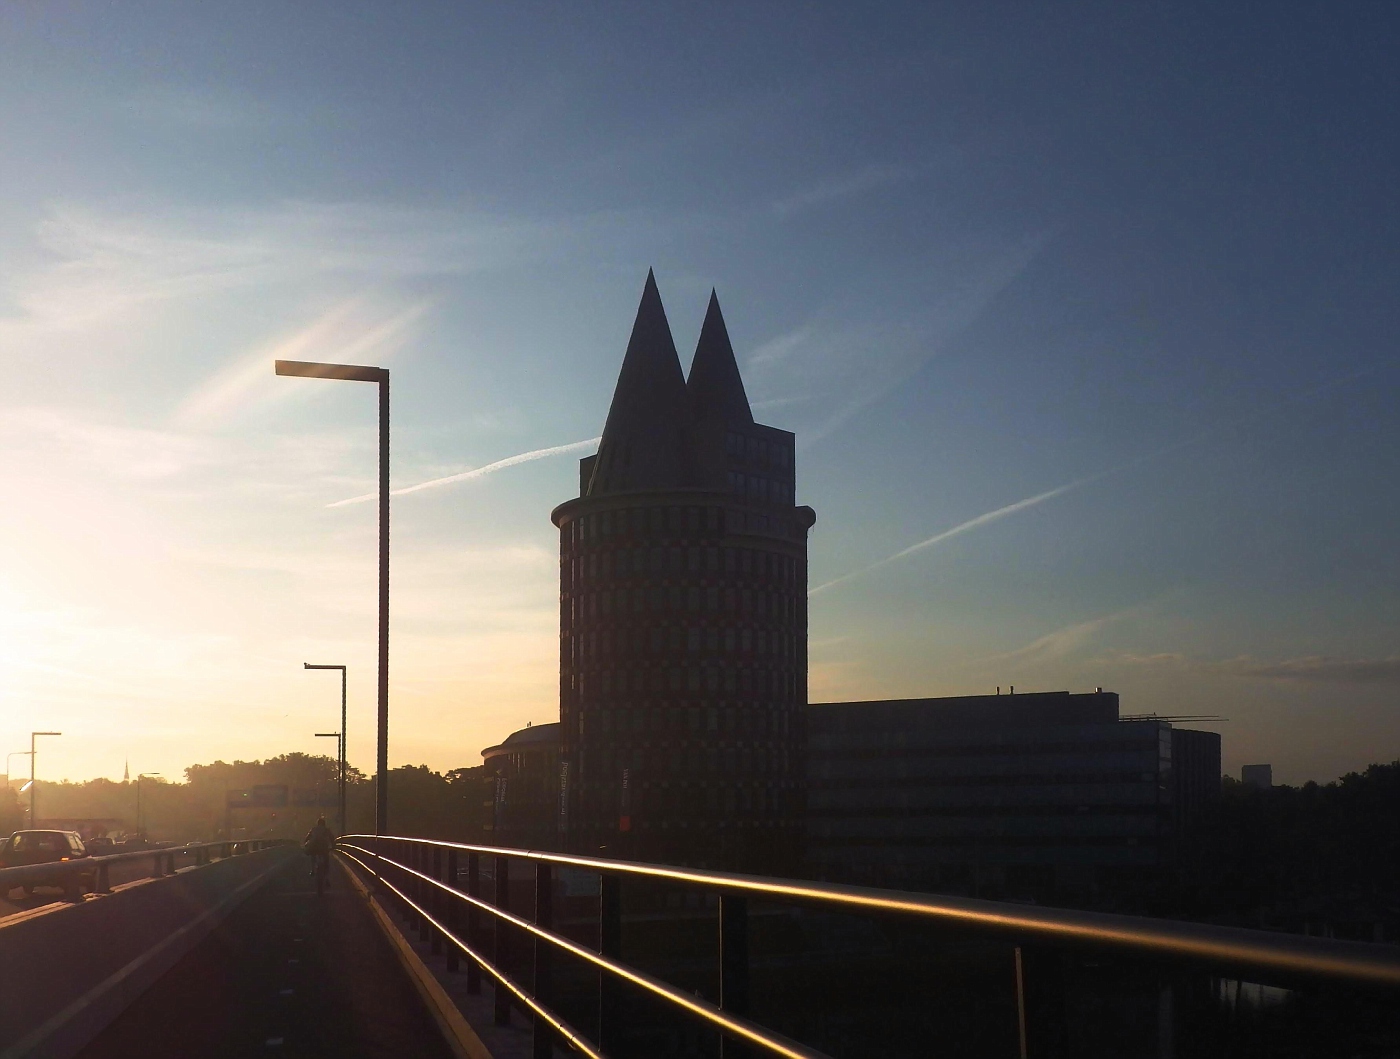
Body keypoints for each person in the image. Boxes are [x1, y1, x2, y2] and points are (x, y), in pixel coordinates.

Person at [303, 816, 334, 880]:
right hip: (324, 847)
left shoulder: (314, 829)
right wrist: (333, 846)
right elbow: (331, 838)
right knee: (326, 861)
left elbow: (308, 837)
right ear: (324, 823)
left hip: (314, 847)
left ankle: (312, 870)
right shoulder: (326, 829)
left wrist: (305, 842)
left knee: (313, 856)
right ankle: (327, 877)